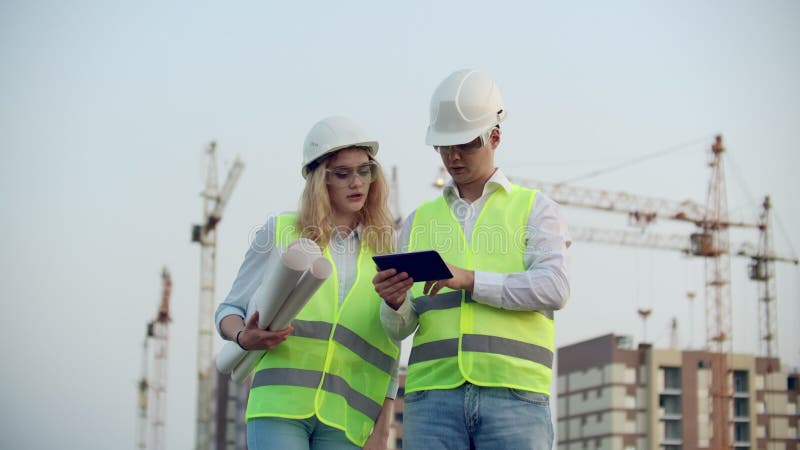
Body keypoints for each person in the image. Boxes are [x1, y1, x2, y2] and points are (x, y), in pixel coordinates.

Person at [372, 69, 571, 450]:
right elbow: (399, 329)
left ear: (495, 136)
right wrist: (394, 303)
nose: (454, 156)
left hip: (514, 394)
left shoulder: (536, 210)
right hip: (431, 398)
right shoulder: (418, 220)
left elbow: (555, 287)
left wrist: (471, 280)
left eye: (465, 143)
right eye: (444, 146)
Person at [216, 115, 400, 450]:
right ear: (319, 180)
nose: (356, 183)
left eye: (364, 171)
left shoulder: (386, 249)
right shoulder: (281, 232)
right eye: (343, 174)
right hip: (279, 408)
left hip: (349, 419)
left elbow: (390, 344)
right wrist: (243, 336)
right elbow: (230, 309)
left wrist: (382, 429)